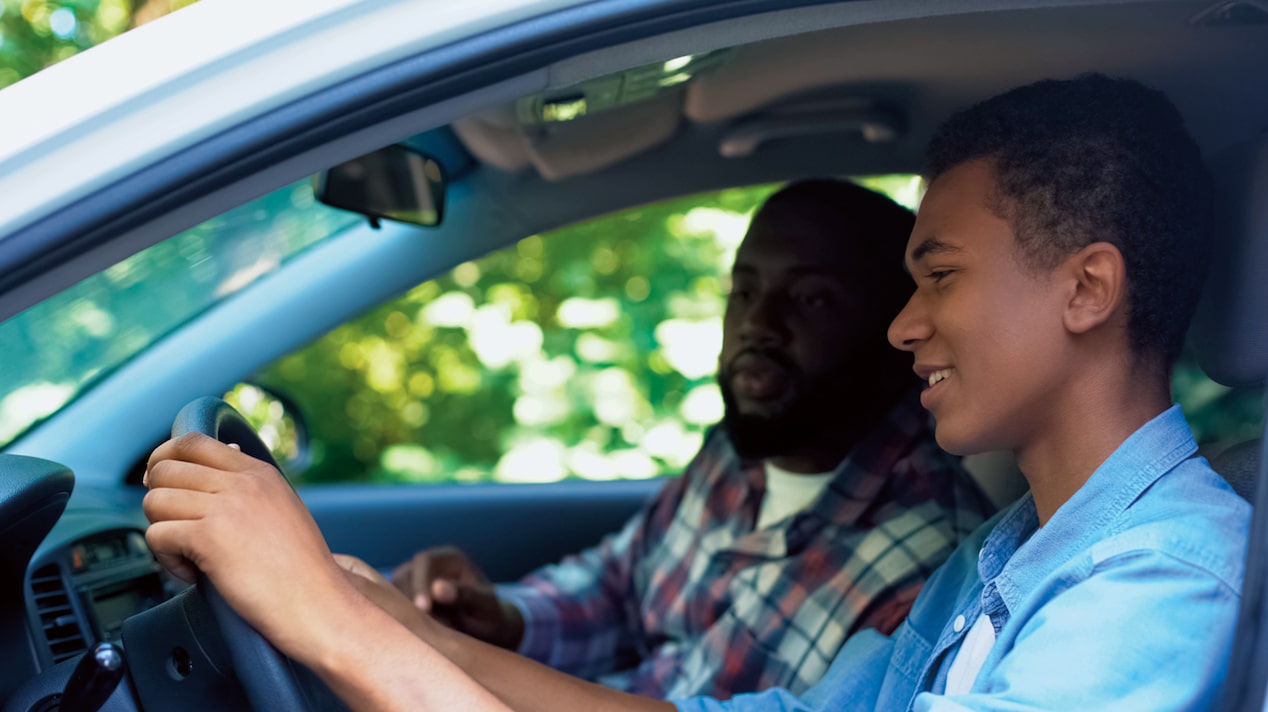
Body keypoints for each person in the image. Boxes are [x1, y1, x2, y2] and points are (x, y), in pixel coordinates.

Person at [142, 73, 1250, 712]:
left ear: (1085, 288)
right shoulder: (1005, 556)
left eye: (937, 277)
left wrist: (331, 629)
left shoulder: (1156, 579)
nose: (904, 324)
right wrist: (387, 618)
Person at [385, 179, 994, 699]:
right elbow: (620, 583)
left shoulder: (930, 560)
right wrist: (505, 621)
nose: (758, 324)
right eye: (745, 291)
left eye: (811, 298)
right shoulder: (740, 449)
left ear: (899, 329)